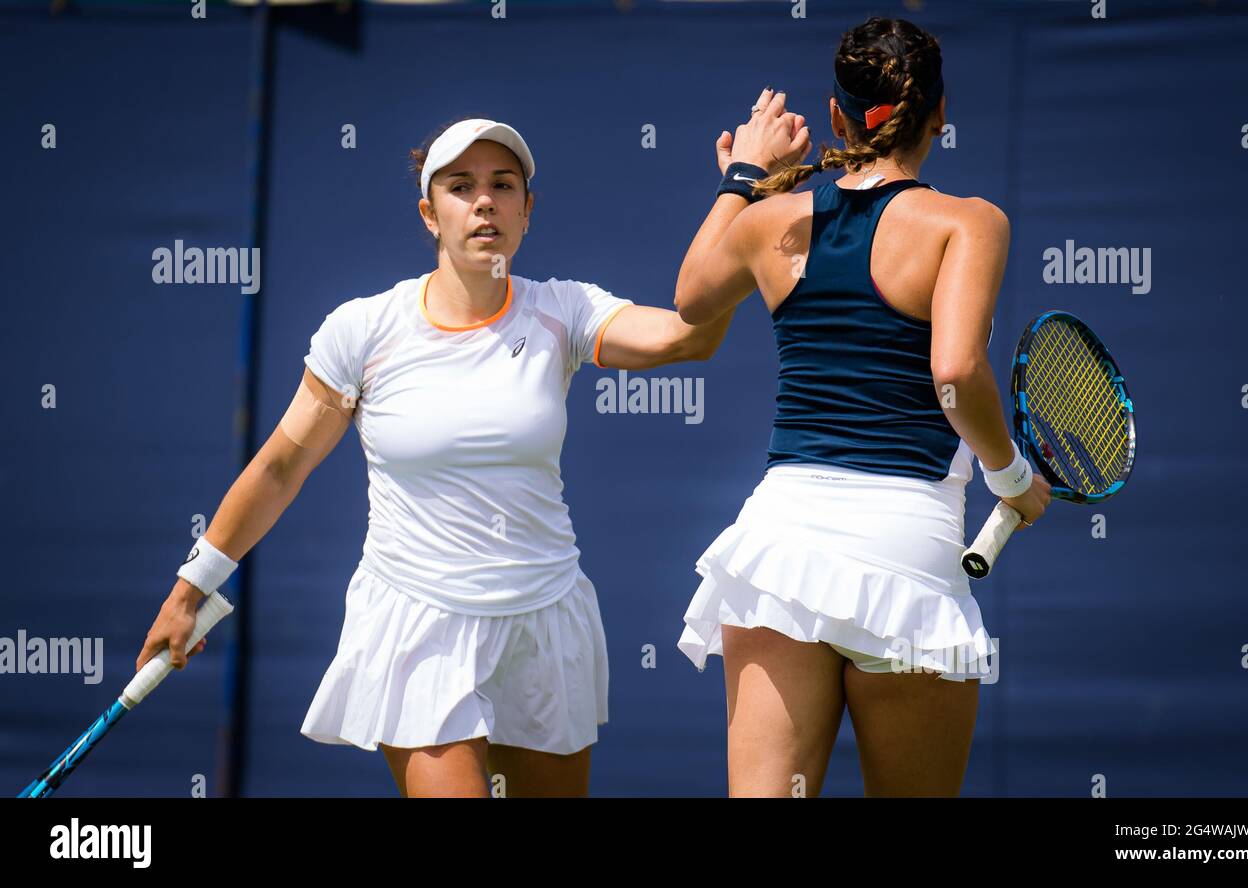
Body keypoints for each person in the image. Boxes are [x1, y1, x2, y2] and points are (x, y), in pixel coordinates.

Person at [135, 115, 805, 797]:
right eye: (461, 186)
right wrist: (191, 589)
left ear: (527, 211)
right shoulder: (363, 331)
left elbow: (687, 337)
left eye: (502, 185)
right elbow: (280, 467)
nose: (484, 201)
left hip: (545, 620)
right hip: (416, 620)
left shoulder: (563, 311)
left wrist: (744, 193)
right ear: (430, 214)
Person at [673, 18, 1051, 797]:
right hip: (907, 549)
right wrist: (1011, 476)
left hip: (781, 547)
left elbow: (689, 297)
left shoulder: (771, 221)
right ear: (940, 114)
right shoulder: (968, 222)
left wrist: (744, 175)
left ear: (838, 118)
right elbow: (954, 371)